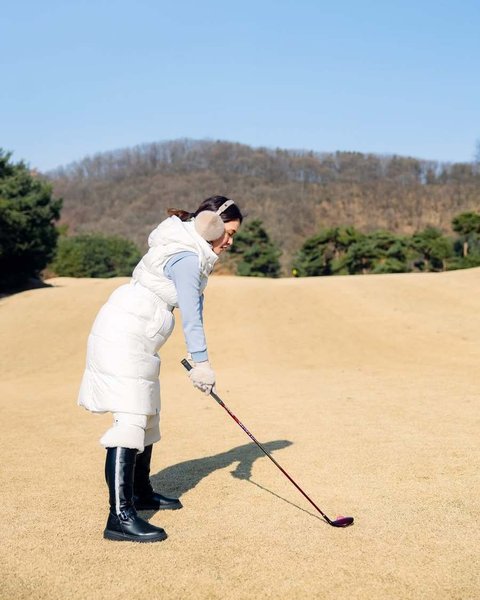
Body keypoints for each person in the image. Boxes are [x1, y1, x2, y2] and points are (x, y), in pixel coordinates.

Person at [77, 196, 243, 543]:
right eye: (227, 233)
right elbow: (193, 315)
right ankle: (119, 518)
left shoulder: (191, 249)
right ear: (209, 225)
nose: (229, 241)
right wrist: (201, 363)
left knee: (148, 414)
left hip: (140, 338)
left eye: (233, 236)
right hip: (124, 335)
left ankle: (141, 492)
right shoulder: (184, 255)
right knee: (131, 419)